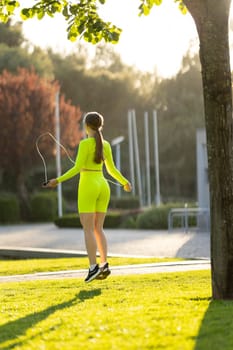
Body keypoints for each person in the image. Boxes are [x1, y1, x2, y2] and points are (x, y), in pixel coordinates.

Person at [44, 111, 132, 283]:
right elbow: (112, 170)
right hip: (103, 186)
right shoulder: (105, 144)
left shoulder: (85, 144)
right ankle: (104, 265)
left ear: (86, 126)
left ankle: (93, 268)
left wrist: (57, 180)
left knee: (88, 229)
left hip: (88, 186)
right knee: (98, 228)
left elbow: (77, 169)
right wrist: (125, 182)